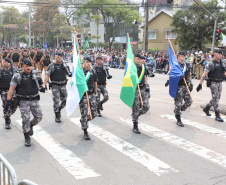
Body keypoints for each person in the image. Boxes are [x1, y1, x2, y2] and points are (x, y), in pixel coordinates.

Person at [7, 59, 45, 147]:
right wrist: (8, 101)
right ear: (22, 66)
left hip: (34, 99)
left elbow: (41, 83)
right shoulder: (17, 76)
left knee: (39, 116)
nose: (29, 68)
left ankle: (31, 125)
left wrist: (43, 87)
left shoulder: (35, 75)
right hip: (23, 101)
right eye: (27, 66)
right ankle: (27, 137)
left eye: (30, 66)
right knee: (25, 119)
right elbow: (11, 89)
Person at [196, 50, 226, 122]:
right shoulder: (211, 64)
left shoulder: (222, 63)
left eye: (221, 54)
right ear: (215, 55)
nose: (220, 55)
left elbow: (224, 71)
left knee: (217, 97)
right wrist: (200, 84)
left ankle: (206, 108)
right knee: (215, 98)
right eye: (218, 54)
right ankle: (217, 115)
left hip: (219, 82)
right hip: (213, 82)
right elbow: (204, 75)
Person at [43, 52, 71, 123]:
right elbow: (47, 75)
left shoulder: (64, 65)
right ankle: (57, 115)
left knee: (66, 100)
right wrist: (44, 84)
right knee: (56, 101)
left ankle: (58, 109)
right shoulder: (51, 66)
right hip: (55, 86)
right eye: (58, 57)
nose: (59, 58)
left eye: (60, 57)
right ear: (55, 57)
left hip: (63, 85)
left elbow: (69, 74)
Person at [167, 52, 192, 127]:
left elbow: (189, 74)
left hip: (186, 85)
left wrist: (191, 83)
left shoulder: (187, 65)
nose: (183, 57)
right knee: (178, 102)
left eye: (184, 56)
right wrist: (170, 80)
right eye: (181, 56)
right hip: (178, 85)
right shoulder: (175, 65)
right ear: (178, 57)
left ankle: (178, 110)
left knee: (189, 102)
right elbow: (172, 74)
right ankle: (178, 119)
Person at [79, 57, 97, 140]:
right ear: (83, 63)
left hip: (91, 94)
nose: (88, 63)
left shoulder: (92, 71)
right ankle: (85, 131)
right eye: (86, 62)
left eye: (89, 62)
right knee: (84, 113)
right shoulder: (80, 72)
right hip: (83, 96)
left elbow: (95, 82)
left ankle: (83, 121)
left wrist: (95, 92)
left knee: (94, 113)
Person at [132, 54, 150, 134]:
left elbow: (145, 76)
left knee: (146, 106)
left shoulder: (143, 67)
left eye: (140, 59)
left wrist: (147, 85)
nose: (139, 60)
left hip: (142, 88)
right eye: (137, 59)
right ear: (134, 59)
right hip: (135, 89)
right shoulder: (131, 68)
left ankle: (135, 116)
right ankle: (135, 125)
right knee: (135, 107)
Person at [0, 58, 17, 129]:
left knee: (14, 105)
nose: (6, 63)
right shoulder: (1, 71)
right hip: (4, 91)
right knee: (6, 105)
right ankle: (7, 120)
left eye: (8, 62)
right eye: (5, 62)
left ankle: (9, 113)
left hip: (13, 91)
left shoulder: (13, 71)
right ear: (3, 63)